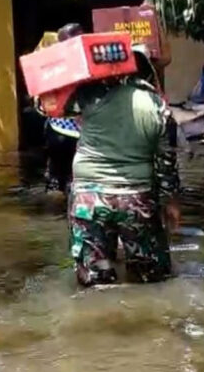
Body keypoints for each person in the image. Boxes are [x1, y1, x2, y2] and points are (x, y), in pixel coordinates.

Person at [67, 47, 181, 286]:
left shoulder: (89, 97)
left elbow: (47, 104)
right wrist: (170, 202)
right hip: (136, 199)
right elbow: (166, 163)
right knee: (150, 278)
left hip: (88, 199)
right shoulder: (158, 108)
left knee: (95, 282)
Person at [43, 23, 84, 193]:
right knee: (73, 179)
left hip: (57, 128)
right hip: (75, 130)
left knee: (56, 179)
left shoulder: (49, 66)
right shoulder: (84, 63)